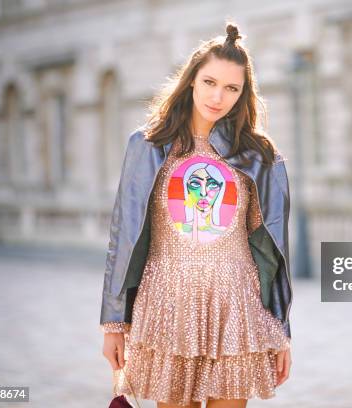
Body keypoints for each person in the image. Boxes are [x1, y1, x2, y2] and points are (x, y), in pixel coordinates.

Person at [99, 22, 293, 408]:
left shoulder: (257, 155)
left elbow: (272, 251)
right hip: (166, 302)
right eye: (209, 82)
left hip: (235, 307)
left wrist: (281, 331)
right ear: (191, 81)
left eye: (231, 88)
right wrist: (114, 323)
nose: (217, 96)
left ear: (243, 94)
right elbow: (124, 235)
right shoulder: (148, 145)